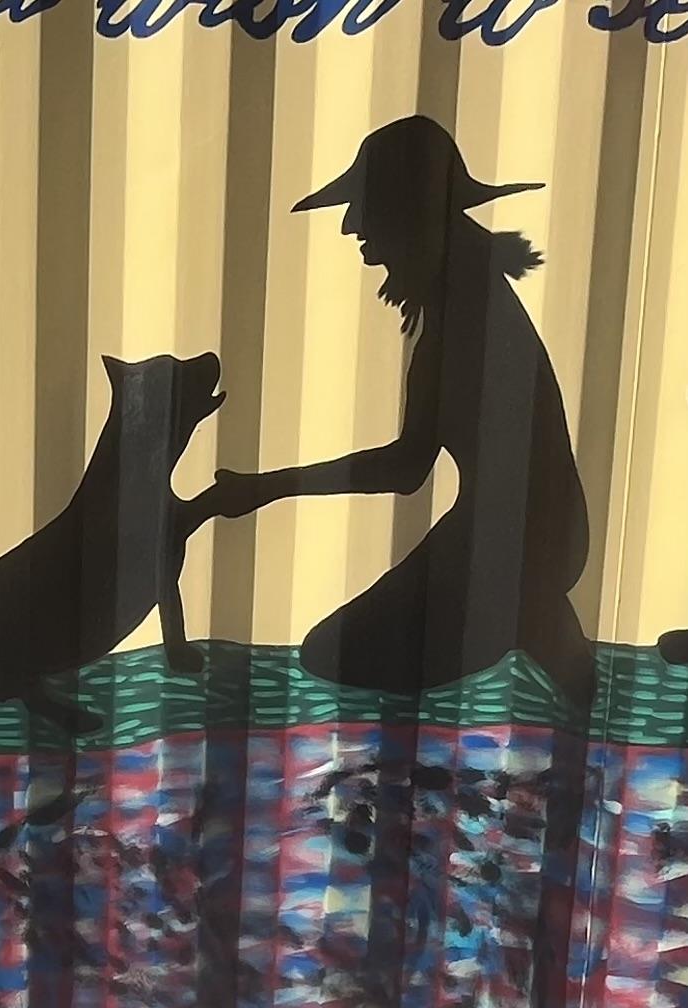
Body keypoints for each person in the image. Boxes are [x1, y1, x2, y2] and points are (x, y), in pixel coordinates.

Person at [195, 116, 594, 714]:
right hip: (516, 538)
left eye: (366, 208)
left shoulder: (466, 327)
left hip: (516, 549)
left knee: (340, 653)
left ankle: (531, 616)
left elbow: (405, 469)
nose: (353, 226)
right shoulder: (469, 302)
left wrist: (267, 488)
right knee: (342, 650)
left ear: (409, 216)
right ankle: (537, 625)